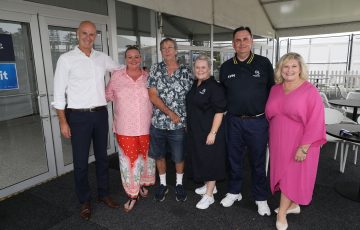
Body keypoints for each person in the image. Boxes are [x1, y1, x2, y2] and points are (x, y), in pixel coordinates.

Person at [52, 20, 120, 220]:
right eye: (84, 33)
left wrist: (140, 71)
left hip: (100, 114)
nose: (88, 38)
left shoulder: (102, 58)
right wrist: (63, 121)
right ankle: (85, 200)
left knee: (102, 158)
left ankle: (104, 194)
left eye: (92, 34)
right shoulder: (66, 59)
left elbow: (120, 69)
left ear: (96, 36)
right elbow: (58, 94)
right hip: (78, 116)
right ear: (77, 33)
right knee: (81, 162)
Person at [265, 52, 326, 230]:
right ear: (280, 69)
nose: (289, 70)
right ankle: (292, 205)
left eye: (293, 66)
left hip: (301, 141)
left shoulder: (309, 90)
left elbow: (316, 121)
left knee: (290, 176)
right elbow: (271, 115)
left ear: (300, 69)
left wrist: (304, 147)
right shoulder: (275, 89)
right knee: (283, 176)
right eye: (285, 66)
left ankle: (282, 213)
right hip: (278, 139)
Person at [219, 26, 274, 216]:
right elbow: (223, 95)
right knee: (234, 160)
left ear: (251, 41)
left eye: (245, 39)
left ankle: (261, 198)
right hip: (233, 121)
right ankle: (234, 191)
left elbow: (272, 92)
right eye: (238, 40)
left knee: (258, 162)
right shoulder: (226, 67)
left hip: (258, 122)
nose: (242, 43)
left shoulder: (263, 63)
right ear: (233, 43)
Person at [105, 46, 155, 212]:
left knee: (143, 160)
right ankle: (132, 194)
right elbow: (107, 96)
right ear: (124, 59)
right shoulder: (117, 77)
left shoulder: (148, 77)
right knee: (128, 163)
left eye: (136, 57)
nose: (133, 60)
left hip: (146, 128)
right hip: (125, 129)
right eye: (129, 57)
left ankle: (139, 185)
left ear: (141, 58)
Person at [147, 37, 193, 202]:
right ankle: (163, 184)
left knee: (179, 156)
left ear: (176, 50)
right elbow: (152, 95)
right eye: (163, 48)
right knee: (159, 155)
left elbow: (191, 98)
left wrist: (188, 121)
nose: (167, 50)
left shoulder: (186, 71)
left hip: (179, 124)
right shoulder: (155, 69)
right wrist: (169, 113)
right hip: (158, 123)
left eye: (170, 47)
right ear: (161, 52)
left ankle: (179, 185)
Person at [186, 55, 227, 209]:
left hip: (210, 131)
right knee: (201, 158)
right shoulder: (195, 83)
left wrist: (213, 133)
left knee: (211, 161)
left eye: (203, 67)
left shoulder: (215, 87)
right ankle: (210, 186)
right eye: (197, 67)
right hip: (197, 131)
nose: (200, 70)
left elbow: (219, 112)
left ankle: (209, 195)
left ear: (210, 69)